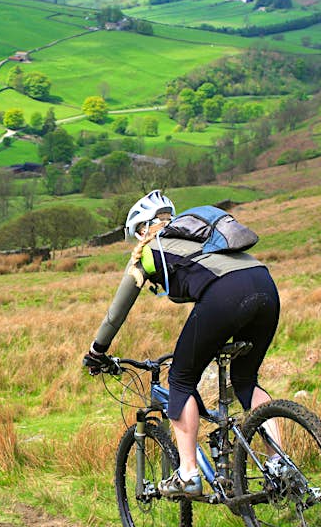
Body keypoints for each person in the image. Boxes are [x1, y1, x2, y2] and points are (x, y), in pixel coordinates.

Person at [83, 190, 281, 499]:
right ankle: (278, 463)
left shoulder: (149, 251)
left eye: (136, 233)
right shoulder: (200, 238)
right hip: (265, 284)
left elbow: (115, 314)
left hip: (225, 294)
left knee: (180, 378)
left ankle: (188, 473)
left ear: (141, 229)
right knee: (245, 380)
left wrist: (97, 352)